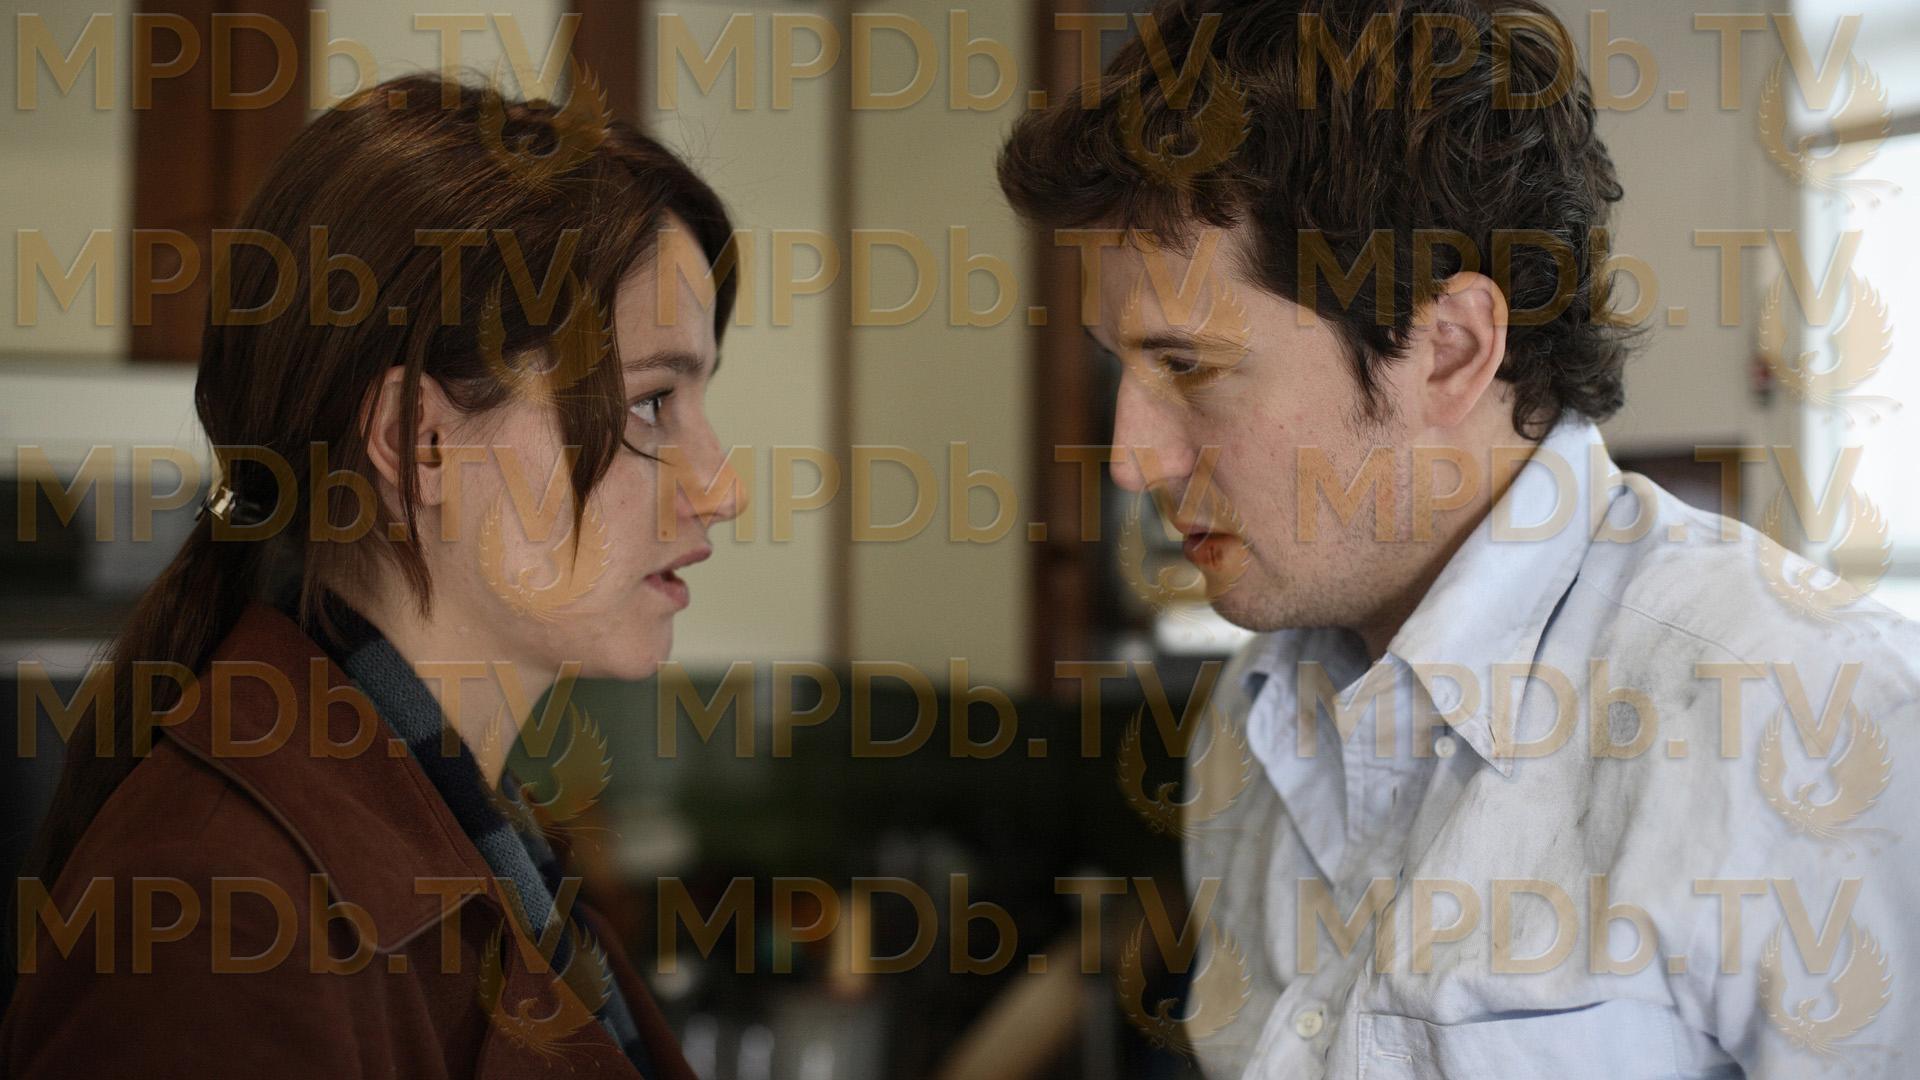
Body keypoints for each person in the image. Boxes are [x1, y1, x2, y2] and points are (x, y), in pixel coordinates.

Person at [999, 2, 1919, 1077]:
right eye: (1122, 366)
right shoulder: (1254, 719)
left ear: (1447, 350)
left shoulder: (1802, 720)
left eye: (1188, 366)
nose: (1130, 459)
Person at [3, 72, 742, 1078]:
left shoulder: (476, 839)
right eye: (653, 403)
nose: (724, 487)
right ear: (419, 440)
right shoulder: (220, 922)